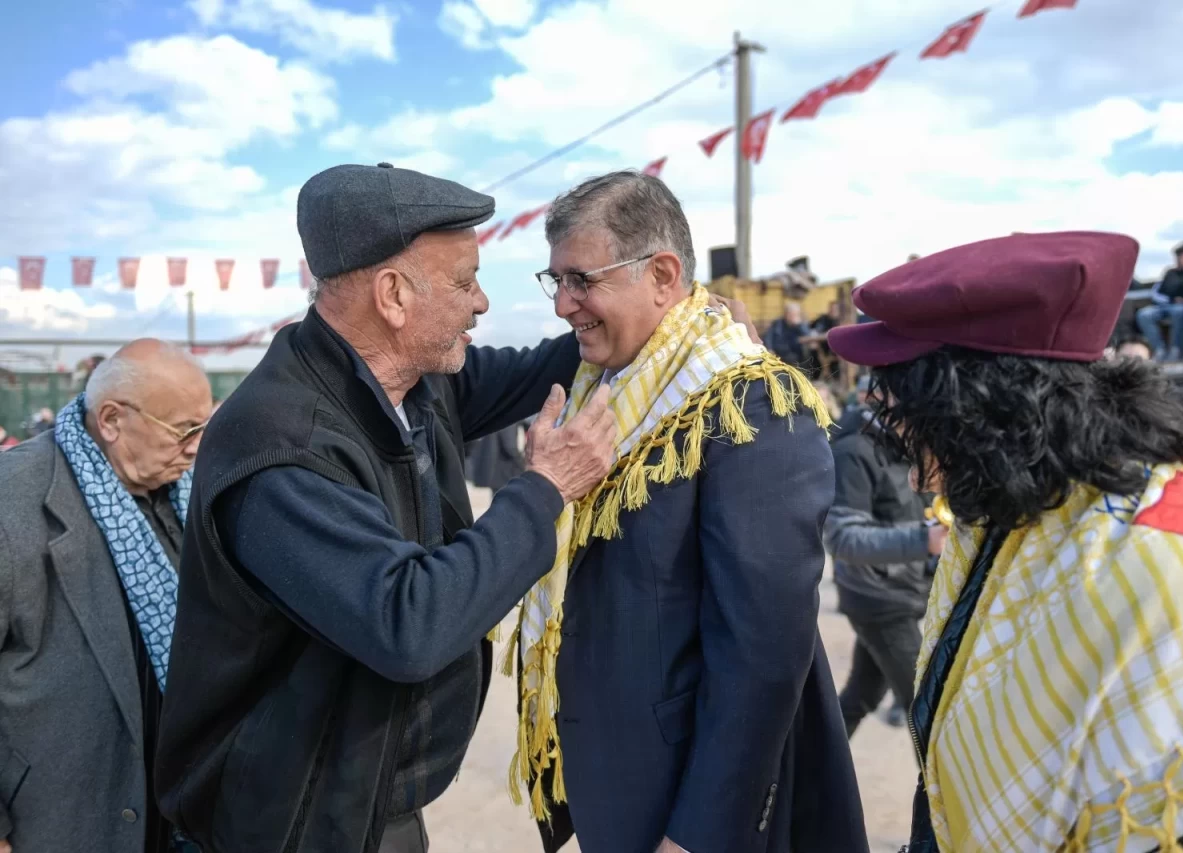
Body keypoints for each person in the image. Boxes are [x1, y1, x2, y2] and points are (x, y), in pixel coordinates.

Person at [155, 162, 619, 853]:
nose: (482, 302)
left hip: (363, 802)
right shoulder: (283, 445)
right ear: (393, 295)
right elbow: (410, 624)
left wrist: (665, 316)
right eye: (465, 281)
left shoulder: (416, 384)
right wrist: (545, 487)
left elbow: (548, 363)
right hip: (288, 827)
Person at [827, 231, 1183, 852]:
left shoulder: (1168, 573)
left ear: (978, 406)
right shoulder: (1017, 505)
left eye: (905, 405)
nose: (892, 432)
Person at [512, 171, 869, 853]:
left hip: (690, 809)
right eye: (553, 280)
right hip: (617, 785)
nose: (563, 304)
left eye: (581, 279)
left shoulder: (752, 403)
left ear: (664, 274)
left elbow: (762, 653)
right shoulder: (614, 383)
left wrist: (699, 835)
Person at [0, 339, 211, 853]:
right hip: (60, 824)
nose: (198, 447)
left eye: (205, 428)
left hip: (179, 816)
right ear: (112, 420)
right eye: (185, 431)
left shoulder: (185, 492)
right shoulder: (13, 501)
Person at [825, 399, 946, 738]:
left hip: (902, 593)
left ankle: (803, 778)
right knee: (926, 711)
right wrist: (927, 539)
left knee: (861, 696)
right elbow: (843, 538)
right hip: (877, 599)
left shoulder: (905, 443)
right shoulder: (853, 451)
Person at [1135, 241, 1183, 360]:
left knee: (1179, 312)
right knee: (1144, 314)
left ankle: (1176, 350)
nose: (1178, 260)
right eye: (1178, 257)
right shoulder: (1170, 273)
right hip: (1163, 306)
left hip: (1182, 307)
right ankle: (1159, 349)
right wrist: (1171, 300)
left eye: (1182, 256)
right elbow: (1156, 292)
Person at [763, 301, 815, 374]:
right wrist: (769, 348)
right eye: (790, 313)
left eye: (794, 314)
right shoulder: (778, 323)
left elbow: (807, 335)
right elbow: (768, 336)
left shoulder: (801, 324)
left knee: (808, 356)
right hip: (778, 351)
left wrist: (799, 325)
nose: (791, 316)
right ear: (785, 314)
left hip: (794, 352)